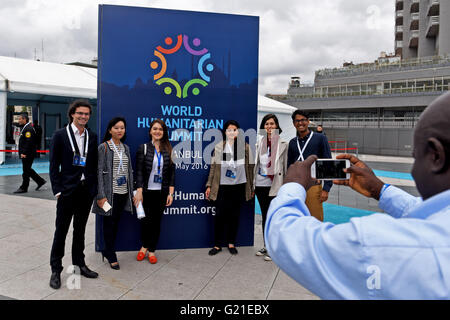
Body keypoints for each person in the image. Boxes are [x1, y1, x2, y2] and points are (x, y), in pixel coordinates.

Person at [265, 91, 450, 299]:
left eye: (415, 156)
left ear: (436, 156)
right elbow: (420, 209)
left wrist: (292, 186)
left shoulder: (384, 243)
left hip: (309, 185)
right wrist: (380, 190)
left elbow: (287, 238)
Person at [48, 100, 99, 289]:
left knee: (80, 230)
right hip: (67, 192)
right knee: (60, 231)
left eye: (86, 114)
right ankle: (55, 269)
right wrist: (58, 191)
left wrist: (93, 189)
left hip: (85, 192)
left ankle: (79, 264)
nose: (83, 117)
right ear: (72, 114)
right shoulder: (60, 135)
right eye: (80, 113)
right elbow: (53, 166)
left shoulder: (92, 137)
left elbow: (92, 165)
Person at [205, 120, 254, 256]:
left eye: (234, 129)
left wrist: (251, 186)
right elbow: (213, 167)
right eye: (229, 129)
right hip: (222, 186)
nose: (231, 132)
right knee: (219, 216)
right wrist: (209, 185)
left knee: (234, 216)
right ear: (225, 132)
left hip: (239, 186)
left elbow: (251, 168)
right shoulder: (219, 147)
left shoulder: (245, 147)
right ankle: (217, 245)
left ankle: (231, 243)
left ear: (238, 132)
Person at [92, 117, 135, 270]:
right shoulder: (103, 147)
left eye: (122, 128)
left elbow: (128, 171)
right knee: (108, 224)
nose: (119, 130)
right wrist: (100, 195)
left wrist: (132, 193)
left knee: (115, 223)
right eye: (116, 128)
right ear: (110, 130)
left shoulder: (126, 148)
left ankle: (107, 249)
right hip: (109, 194)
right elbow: (97, 173)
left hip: (123, 193)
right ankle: (110, 253)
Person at [134, 119, 175, 264]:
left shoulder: (169, 149)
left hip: (161, 192)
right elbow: (138, 171)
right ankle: (144, 246)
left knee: (156, 222)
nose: (158, 131)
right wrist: (139, 191)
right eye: (155, 129)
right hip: (145, 192)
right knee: (145, 221)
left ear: (164, 133)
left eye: (161, 129)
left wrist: (170, 193)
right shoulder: (143, 148)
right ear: (150, 131)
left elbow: (171, 174)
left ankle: (151, 250)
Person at [253, 114, 288, 261]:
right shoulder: (259, 143)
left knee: (273, 216)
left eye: (272, 124)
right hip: (261, 184)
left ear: (277, 126)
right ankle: (267, 245)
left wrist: (285, 187)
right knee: (265, 215)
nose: (269, 127)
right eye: (266, 124)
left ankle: (275, 249)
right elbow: (256, 165)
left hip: (275, 185)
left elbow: (285, 167)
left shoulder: (283, 144)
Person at [287, 110, 332, 221]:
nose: (300, 123)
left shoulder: (320, 138)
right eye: (297, 121)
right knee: (297, 218)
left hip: (313, 186)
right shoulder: (292, 142)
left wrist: (326, 188)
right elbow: (289, 165)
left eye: (303, 120)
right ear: (293, 123)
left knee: (315, 219)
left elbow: (328, 162)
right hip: (296, 187)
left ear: (308, 121)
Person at [13, 113, 46, 193]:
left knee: (25, 171)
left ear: (24, 119)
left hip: (28, 154)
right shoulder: (26, 128)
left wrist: (24, 153)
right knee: (28, 169)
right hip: (28, 153)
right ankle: (40, 181)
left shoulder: (28, 129)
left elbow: (29, 142)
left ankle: (24, 187)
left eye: (20, 119)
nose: (19, 120)